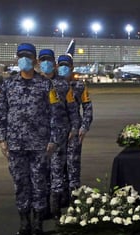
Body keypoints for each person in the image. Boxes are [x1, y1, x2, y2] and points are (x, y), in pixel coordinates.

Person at [0, 43, 63, 235]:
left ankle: (37, 223)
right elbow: (1, 113)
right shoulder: (8, 84)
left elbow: (55, 115)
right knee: (20, 183)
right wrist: (2, 139)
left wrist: (53, 140)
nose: (23, 60)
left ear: (34, 60)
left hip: (39, 144)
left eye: (27, 57)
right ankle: (24, 223)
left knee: (39, 183)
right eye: (20, 56)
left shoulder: (45, 84)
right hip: (15, 145)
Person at [38, 49, 80, 219]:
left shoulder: (64, 85)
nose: (45, 63)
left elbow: (73, 110)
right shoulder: (34, 83)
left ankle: (55, 207)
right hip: (38, 137)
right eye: (43, 60)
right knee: (41, 173)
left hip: (59, 136)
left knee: (56, 171)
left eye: (48, 60)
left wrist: (75, 128)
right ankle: (43, 207)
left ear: (54, 64)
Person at [57, 54, 93, 201]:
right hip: (56, 132)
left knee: (73, 163)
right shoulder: (52, 85)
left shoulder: (79, 86)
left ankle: (74, 196)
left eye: (66, 65)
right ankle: (60, 196)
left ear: (72, 67)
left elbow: (88, 108)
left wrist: (84, 127)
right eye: (60, 65)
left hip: (74, 131)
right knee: (57, 165)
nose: (63, 68)